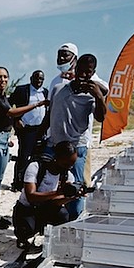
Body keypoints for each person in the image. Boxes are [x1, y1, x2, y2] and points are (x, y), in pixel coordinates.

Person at [0, 66, 48, 229]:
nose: (2, 80)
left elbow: (7, 116)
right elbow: (11, 112)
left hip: (4, 140)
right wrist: (37, 104)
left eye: (5, 77)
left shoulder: (1, 96)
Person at [45, 54, 107, 219]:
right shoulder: (60, 88)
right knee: (51, 186)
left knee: (76, 189)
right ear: (76, 68)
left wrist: (99, 97)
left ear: (93, 72)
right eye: (81, 70)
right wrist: (40, 139)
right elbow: (49, 115)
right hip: (55, 146)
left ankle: (75, 222)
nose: (84, 75)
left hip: (76, 149)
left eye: (88, 72)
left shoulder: (93, 95)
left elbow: (101, 117)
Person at [12, 141, 78, 252]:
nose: (68, 168)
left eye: (72, 165)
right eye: (66, 164)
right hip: (27, 208)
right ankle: (23, 235)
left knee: (63, 214)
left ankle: (55, 240)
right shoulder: (36, 167)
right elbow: (31, 196)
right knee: (26, 229)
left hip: (46, 208)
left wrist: (71, 197)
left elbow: (56, 202)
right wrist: (57, 192)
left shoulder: (67, 176)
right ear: (56, 158)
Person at [9, 70, 48, 192]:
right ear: (31, 78)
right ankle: (17, 183)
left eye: (41, 79)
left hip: (41, 129)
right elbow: (9, 104)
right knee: (23, 156)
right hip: (26, 128)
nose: (38, 81)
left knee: (38, 157)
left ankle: (34, 181)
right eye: (36, 78)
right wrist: (16, 120)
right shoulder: (22, 90)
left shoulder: (45, 92)